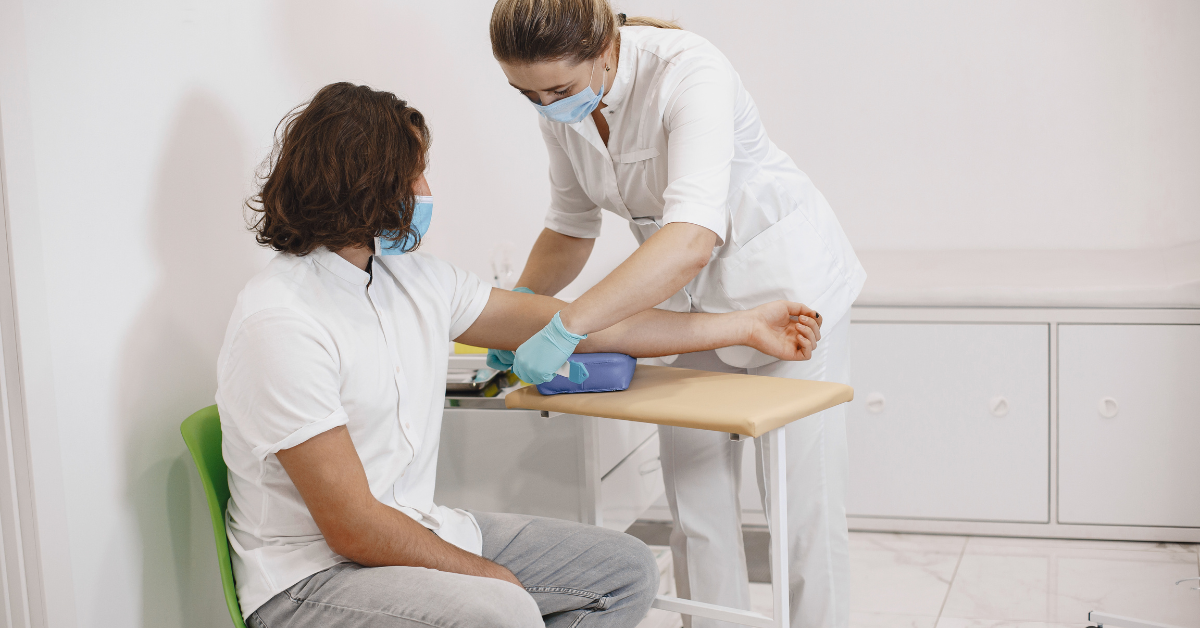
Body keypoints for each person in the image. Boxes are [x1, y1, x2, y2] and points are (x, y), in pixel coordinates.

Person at [216, 82, 824, 628]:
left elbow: (589, 327)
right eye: (414, 178)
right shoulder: (282, 321)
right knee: (501, 608)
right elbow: (353, 528)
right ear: (363, 187)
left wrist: (741, 326)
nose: (426, 194)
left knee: (625, 570)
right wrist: (491, 578)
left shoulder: (412, 280)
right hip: (312, 581)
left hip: (414, 528)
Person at [486, 2, 868, 627]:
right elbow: (570, 226)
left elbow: (691, 238)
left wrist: (565, 326)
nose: (546, 105)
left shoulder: (690, 72)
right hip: (683, 308)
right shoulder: (559, 103)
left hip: (788, 298)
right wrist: (516, 309)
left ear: (604, 49)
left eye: (557, 90)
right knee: (696, 508)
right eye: (527, 94)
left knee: (803, 510)